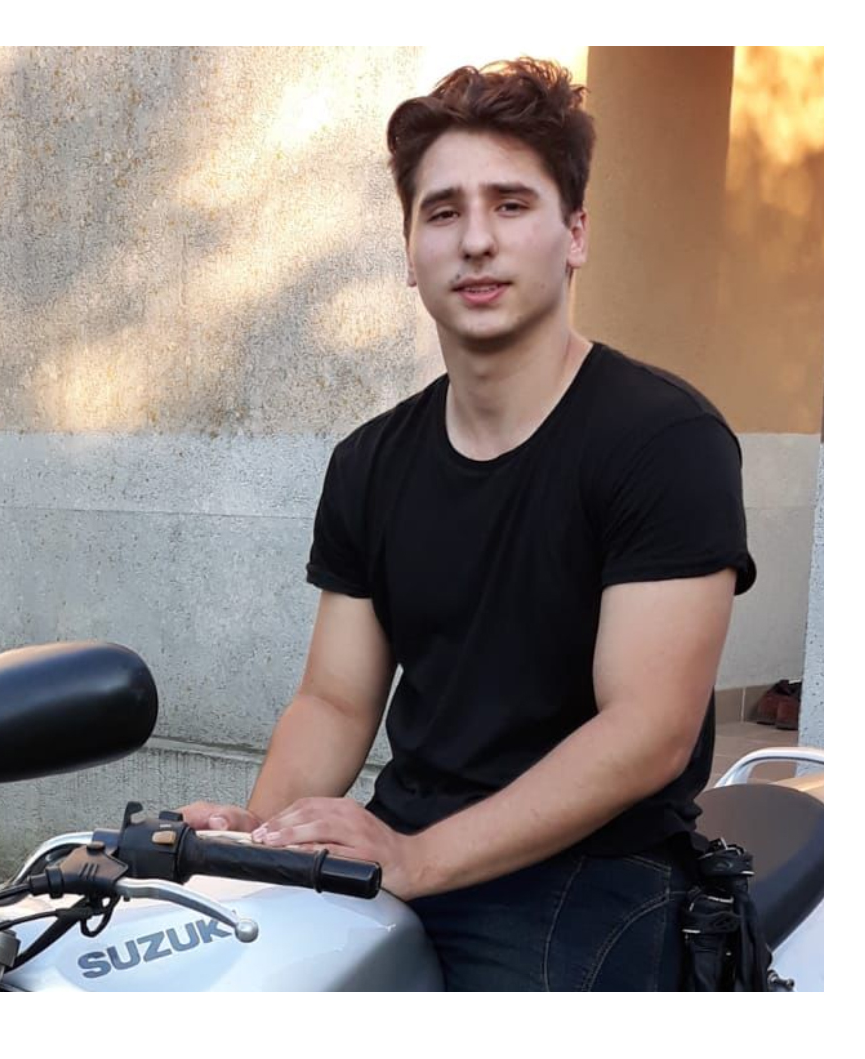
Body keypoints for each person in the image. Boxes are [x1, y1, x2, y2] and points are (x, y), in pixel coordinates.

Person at [181, 57, 755, 991]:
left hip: (593, 873)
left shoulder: (665, 440)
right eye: (442, 212)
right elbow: (334, 702)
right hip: (405, 846)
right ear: (410, 253)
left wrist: (420, 860)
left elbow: (647, 729)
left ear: (575, 234)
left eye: (511, 205)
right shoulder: (369, 463)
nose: (476, 240)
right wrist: (260, 838)